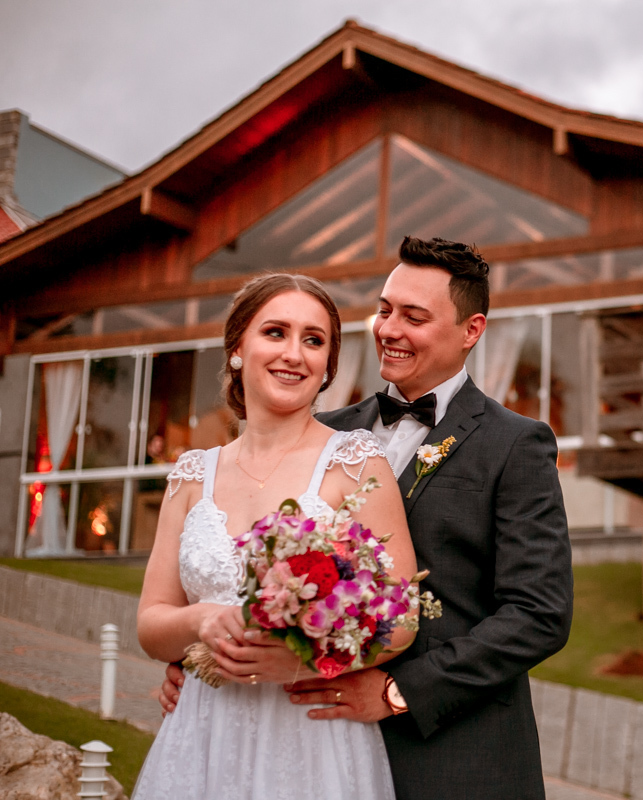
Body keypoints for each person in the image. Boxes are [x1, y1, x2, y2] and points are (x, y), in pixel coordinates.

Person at [158, 237, 574, 799]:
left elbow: (538, 613)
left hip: (457, 754)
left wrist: (399, 691)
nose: (389, 329)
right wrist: (206, 661)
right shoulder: (325, 434)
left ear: (472, 330)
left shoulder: (515, 443)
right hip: (314, 746)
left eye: (414, 316)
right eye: (384, 310)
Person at [135, 273, 416, 800]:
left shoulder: (356, 465)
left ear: (327, 366)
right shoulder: (192, 474)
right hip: (202, 735)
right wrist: (201, 621)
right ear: (238, 347)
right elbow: (152, 624)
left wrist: (307, 658)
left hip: (312, 733)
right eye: (275, 333)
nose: (294, 354)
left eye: (314, 341)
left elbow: (400, 619)